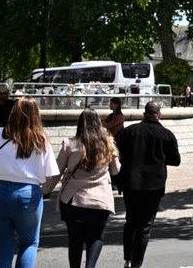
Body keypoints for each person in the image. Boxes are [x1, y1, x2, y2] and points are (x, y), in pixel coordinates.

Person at [0, 96, 59, 268]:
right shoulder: (41, 138)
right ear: (36, 114)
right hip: (28, 194)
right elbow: (51, 174)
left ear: (13, 112)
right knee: (28, 243)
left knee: (1, 248)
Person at [115, 101, 180, 268]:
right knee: (145, 226)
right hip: (154, 185)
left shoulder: (129, 131)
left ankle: (127, 258)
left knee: (130, 221)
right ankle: (137, 263)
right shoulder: (166, 134)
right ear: (159, 115)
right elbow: (175, 160)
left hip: (131, 183)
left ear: (144, 114)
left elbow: (116, 153)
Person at [55, 108, 120, 268]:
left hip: (74, 200)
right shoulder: (108, 143)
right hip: (100, 201)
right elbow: (116, 170)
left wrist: (44, 191)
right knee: (96, 237)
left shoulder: (69, 144)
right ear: (98, 123)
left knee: (75, 240)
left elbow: (56, 171)